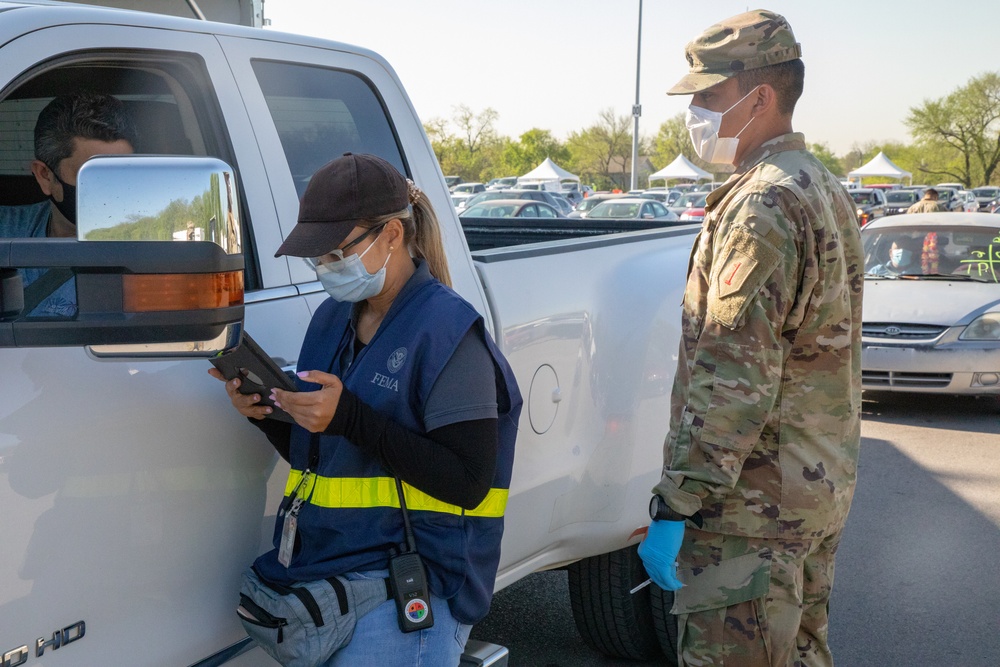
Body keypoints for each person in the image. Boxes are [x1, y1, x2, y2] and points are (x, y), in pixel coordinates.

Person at [209, 153, 522, 666]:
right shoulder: (332, 320)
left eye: (337, 250)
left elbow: (468, 481)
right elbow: (325, 458)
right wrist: (266, 413)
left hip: (409, 591)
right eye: (319, 255)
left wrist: (350, 417)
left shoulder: (447, 333)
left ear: (393, 235)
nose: (326, 266)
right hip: (331, 580)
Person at [637, 10, 863, 666]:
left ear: (758, 97)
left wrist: (677, 501)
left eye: (707, 97)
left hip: (752, 513)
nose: (695, 112)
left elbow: (734, 378)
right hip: (813, 489)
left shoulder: (760, 207)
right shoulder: (820, 186)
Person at [0, 93, 136, 316]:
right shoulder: (6, 231)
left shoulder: (161, 246)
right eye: (92, 175)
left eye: (124, 173)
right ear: (45, 176)